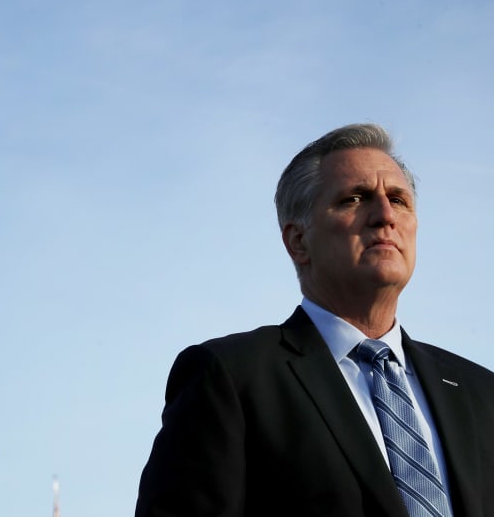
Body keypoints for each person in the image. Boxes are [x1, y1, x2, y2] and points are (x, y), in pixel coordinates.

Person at [134, 123, 494, 516]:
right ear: (298, 241)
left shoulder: (480, 392)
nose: (385, 215)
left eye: (399, 199)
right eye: (355, 198)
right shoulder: (232, 377)